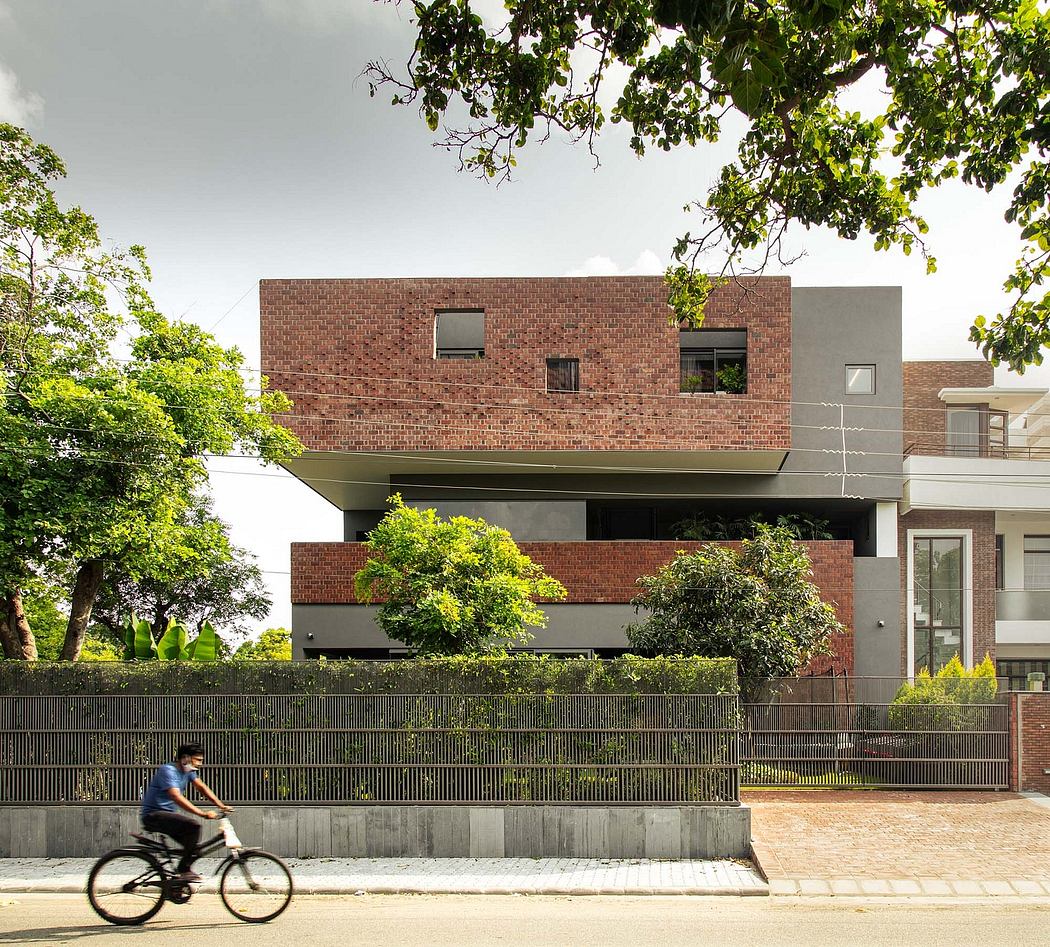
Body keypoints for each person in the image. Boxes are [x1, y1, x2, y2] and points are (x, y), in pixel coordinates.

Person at [139, 743, 232, 883]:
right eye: (198, 760)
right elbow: (176, 796)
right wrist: (202, 813)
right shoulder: (168, 770)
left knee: (194, 849)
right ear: (185, 758)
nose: (200, 764)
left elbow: (201, 787)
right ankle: (183, 870)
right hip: (153, 815)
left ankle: (176, 882)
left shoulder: (188, 771)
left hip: (166, 816)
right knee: (194, 826)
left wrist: (221, 805)